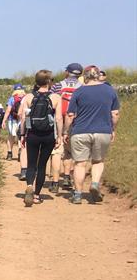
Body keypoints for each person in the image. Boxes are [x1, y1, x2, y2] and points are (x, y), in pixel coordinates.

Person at [64, 65, 121, 204]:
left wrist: (66, 132)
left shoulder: (78, 92)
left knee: (80, 163)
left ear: (85, 76)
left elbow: (70, 115)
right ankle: (95, 184)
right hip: (102, 131)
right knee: (98, 161)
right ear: (98, 75)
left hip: (80, 131)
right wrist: (113, 129)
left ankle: (77, 194)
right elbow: (115, 114)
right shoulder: (110, 91)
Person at [19, 70, 63, 206]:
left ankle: (29, 185)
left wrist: (23, 134)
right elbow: (59, 118)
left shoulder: (28, 97)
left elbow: (24, 117)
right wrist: (59, 136)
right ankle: (37, 195)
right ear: (49, 81)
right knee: (42, 165)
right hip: (48, 135)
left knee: (31, 163)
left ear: (36, 81)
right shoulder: (55, 97)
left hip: (32, 134)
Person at [49, 63, 82, 192]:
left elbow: (50, 102)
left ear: (67, 72)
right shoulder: (82, 87)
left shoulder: (57, 86)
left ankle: (55, 183)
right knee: (70, 152)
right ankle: (67, 177)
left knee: (57, 152)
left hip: (58, 121)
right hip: (75, 122)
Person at [2, 84, 26, 162]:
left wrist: (4, 120)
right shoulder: (25, 98)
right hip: (22, 119)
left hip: (12, 119)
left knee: (11, 136)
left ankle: (9, 153)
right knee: (20, 135)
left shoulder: (12, 99)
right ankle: (20, 152)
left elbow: (8, 110)